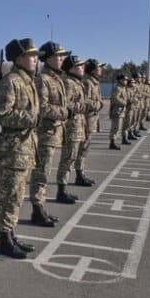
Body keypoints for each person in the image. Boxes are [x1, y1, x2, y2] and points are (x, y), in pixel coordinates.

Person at [0, 38, 40, 259]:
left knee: (17, 195)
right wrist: (32, 118)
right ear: (19, 58)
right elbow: (1, 113)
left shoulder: (27, 81)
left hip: (24, 147)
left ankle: (11, 234)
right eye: (31, 55)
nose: (35, 59)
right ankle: (4, 239)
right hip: (12, 149)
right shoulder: (11, 82)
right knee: (9, 195)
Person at [28, 41, 70, 228]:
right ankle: (37, 210)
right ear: (48, 58)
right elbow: (42, 108)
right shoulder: (43, 79)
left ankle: (41, 208)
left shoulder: (56, 78)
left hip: (53, 133)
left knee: (45, 173)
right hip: (44, 134)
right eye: (58, 56)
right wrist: (65, 112)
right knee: (41, 173)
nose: (61, 59)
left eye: (62, 56)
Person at [55, 55, 87, 203]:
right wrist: (83, 106)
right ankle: (61, 191)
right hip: (71, 127)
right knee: (67, 159)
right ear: (71, 68)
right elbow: (66, 104)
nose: (82, 68)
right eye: (79, 65)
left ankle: (64, 188)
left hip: (78, 126)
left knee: (72, 158)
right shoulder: (69, 83)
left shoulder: (77, 83)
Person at [75, 58, 105, 187]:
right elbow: (85, 101)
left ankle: (81, 172)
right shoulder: (88, 83)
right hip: (87, 120)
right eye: (98, 67)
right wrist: (98, 104)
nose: (101, 70)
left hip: (92, 120)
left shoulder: (95, 83)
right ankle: (79, 174)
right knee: (82, 149)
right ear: (93, 70)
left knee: (85, 148)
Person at [108, 74, 129, 150]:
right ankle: (112, 143)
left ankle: (113, 142)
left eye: (126, 80)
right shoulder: (118, 88)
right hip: (117, 111)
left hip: (120, 111)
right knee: (115, 128)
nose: (126, 81)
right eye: (124, 80)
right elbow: (115, 98)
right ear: (120, 80)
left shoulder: (122, 88)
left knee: (118, 128)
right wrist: (124, 102)